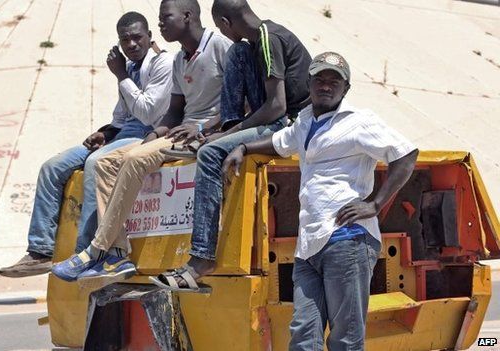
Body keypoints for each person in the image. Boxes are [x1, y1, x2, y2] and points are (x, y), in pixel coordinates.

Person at [221, 52, 418, 350]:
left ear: (346, 88)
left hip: (347, 240)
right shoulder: (305, 120)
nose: (326, 86)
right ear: (309, 83)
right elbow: (281, 142)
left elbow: (405, 154)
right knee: (303, 334)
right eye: (320, 79)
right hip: (309, 245)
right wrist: (244, 147)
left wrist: (375, 205)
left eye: (334, 81)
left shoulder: (359, 121)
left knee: (345, 338)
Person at [51, 0, 233, 282]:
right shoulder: (179, 59)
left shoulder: (220, 48)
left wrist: (200, 126)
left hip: (207, 134)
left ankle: (96, 250)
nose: (161, 24)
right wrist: (152, 136)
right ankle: (117, 254)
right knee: (104, 162)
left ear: (187, 16)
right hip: (179, 133)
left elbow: (239, 104)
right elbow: (174, 111)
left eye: (165, 18)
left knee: (135, 159)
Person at [150, 0, 312, 290]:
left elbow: (276, 107)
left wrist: (226, 137)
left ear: (225, 23)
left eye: (220, 28)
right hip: (275, 116)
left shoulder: (268, 39)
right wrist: (219, 128)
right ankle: (225, 133)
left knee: (210, 152)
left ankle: (202, 258)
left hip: (292, 123)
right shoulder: (253, 41)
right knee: (237, 53)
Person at [0, 12, 174, 278]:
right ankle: (40, 251)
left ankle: (87, 251)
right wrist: (105, 133)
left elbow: (148, 113)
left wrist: (120, 76)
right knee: (52, 167)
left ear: (150, 37)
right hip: (122, 133)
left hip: (148, 134)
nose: (131, 45)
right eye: (125, 40)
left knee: (95, 163)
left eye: (137, 37)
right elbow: (121, 117)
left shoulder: (162, 63)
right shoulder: (129, 69)